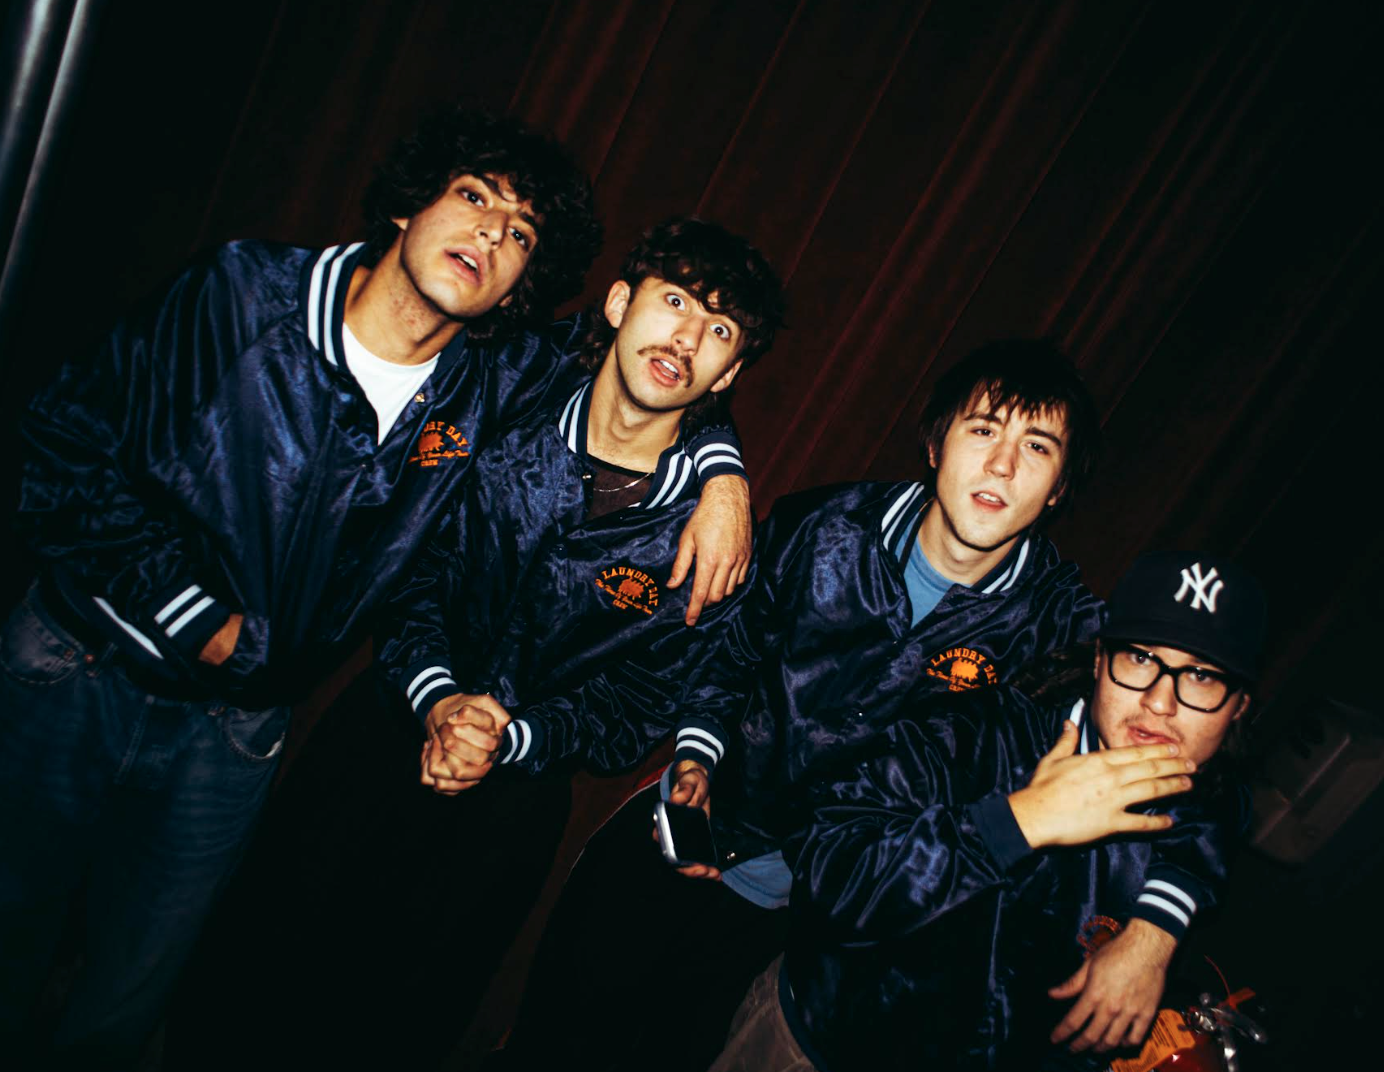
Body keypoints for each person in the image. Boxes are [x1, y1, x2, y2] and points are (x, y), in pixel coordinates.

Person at [0, 109, 751, 1068]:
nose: (491, 234)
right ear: (408, 204)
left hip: (237, 729)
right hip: (78, 667)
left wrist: (720, 466)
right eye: (473, 197)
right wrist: (197, 617)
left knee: (130, 999)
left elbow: (652, 371)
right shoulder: (245, 294)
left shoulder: (484, 381)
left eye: (521, 234)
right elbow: (61, 448)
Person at [169, 216, 784, 1071]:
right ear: (617, 303)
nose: (685, 338)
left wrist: (512, 736)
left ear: (733, 371)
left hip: (510, 804)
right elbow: (407, 563)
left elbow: (642, 699)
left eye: (719, 331)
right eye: (674, 301)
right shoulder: (504, 391)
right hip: (386, 726)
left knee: (391, 1024)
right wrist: (438, 697)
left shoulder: (713, 540)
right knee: (252, 975)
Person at [492, 340, 1110, 1071]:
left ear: (1060, 486)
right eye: (983, 429)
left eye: (1036, 446)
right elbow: (726, 652)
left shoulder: (1058, 629)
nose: (1002, 465)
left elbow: (1180, 730)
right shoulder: (823, 526)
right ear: (936, 443)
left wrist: (1151, 931)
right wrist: (697, 756)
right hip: (673, 845)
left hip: (797, 934)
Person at [712, 550, 1264, 1071]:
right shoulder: (973, 735)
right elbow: (830, 875)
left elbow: (1216, 815)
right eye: (1140, 658)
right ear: (1100, 660)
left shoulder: (1207, 801)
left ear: (1238, 708)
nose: (1160, 702)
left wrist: (1154, 933)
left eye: (1202, 676)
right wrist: (1018, 822)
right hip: (819, 1050)